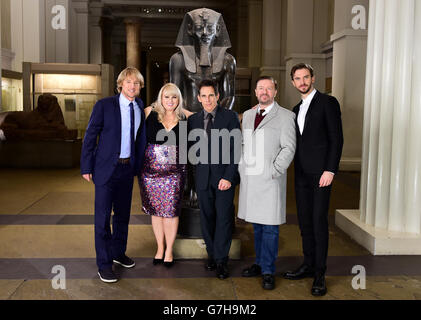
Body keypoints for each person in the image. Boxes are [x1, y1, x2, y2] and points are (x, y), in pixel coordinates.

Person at [80, 67, 147, 283]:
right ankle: (104, 264)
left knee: (122, 217)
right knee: (102, 219)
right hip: (105, 169)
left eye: (136, 83)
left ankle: (118, 253)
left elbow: (139, 139)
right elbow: (90, 136)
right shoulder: (104, 105)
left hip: (127, 170)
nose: (132, 86)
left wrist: (138, 166)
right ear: (120, 84)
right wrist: (86, 166)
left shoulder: (138, 106)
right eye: (129, 82)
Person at [283, 63, 344, 296]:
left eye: (306, 77)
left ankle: (320, 274)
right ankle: (308, 265)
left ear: (313, 78)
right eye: (297, 78)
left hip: (321, 175)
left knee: (319, 222)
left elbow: (336, 138)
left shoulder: (328, 103)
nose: (302, 82)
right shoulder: (295, 109)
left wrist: (330, 170)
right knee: (305, 222)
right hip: (300, 175)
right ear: (293, 82)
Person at [237, 76, 296, 290]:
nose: (264, 92)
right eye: (261, 88)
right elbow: (243, 143)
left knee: (270, 226)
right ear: (255, 91)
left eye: (268, 88)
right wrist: (241, 166)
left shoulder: (286, 116)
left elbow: (289, 147)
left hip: (271, 179)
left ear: (275, 92)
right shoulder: (249, 115)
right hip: (251, 179)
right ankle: (259, 264)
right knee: (257, 225)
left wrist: (276, 169)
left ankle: (269, 270)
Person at [187, 79, 241, 279]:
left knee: (224, 219)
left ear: (218, 96)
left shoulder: (230, 117)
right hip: (202, 178)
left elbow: (236, 149)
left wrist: (229, 176)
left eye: (212, 95)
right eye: (204, 96)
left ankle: (221, 260)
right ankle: (211, 254)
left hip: (224, 179)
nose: (208, 100)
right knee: (206, 218)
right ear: (199, 98)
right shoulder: (193, 120)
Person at [139, 83, 192, 268]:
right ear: (160, 98)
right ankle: (159, 248)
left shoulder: (185, 117)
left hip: (175, 173)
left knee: (170, 212)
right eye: (166, 97)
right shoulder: (148, 113)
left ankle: (169, 250)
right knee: (156, 212)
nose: (170, 100)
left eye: (174, 97)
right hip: (150, 172)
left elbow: (208, 116)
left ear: (179, 100)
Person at [170, 7, 236, 112]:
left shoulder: (227, 60)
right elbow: (174, 95)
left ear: (218, 30)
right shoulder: (178, 60)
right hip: (186, 118)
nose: (205, 33)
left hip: (216, 120)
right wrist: (187, 118)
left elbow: (229, 96)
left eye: (210, 28)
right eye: (199, 28)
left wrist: (220, 118)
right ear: (190, 29)